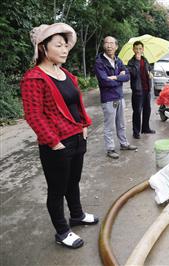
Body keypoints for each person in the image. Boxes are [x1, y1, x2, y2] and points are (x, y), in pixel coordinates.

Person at [20, 23, 98, 249]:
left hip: (77, 137)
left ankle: (77, 215)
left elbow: (77, 103)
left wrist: (84, 125)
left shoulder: (66, 74)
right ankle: (62, 231)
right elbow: (33, 115)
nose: (65, 50)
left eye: (66, 45)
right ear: (43, 48)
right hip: (57, 144)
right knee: (57, 189)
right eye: (59, 45)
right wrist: (53, 142)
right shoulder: (34, 78)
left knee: (73, 182)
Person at [94, 36, 137, 159]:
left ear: (116, 46)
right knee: (109, 125)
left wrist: (115, 77)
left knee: (121, 123)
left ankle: (124, 144)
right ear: (103, 45)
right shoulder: (99, 62)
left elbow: (127, 76)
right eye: (106, 43)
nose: (109, 46)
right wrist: (119, 78)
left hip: (120, 96)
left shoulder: (118, 60)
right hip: (108, 98)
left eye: (112, 43)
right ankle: (110, 149)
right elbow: (104, 81)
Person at [127, 41, 156, 139]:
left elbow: (150, 68)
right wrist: (137, 61)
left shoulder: (145, 59)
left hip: (147, 89)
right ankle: (136, 132)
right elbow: (134, 74)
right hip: (137, 90)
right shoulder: (131, 62)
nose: (138, 50)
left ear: (143, 49)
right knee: (137, 111)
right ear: (133, 50)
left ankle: (145, 128)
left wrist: (151, 72)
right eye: (136, 48)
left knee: (147, 110)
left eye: (140, 48)